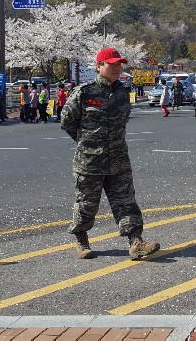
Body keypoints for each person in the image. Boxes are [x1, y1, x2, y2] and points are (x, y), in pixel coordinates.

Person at [61, 47, 160, 261]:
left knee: (126, 202)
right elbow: (67, 121)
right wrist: (87, 143)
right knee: (87, 204)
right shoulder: (84, 92)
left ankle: (136, 241)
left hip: (118, 160)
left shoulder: (123, 93)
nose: (117, 68)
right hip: (89, 162)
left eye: (119, 64)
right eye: (111, 64)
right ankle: (81, 239)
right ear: (99, 66)